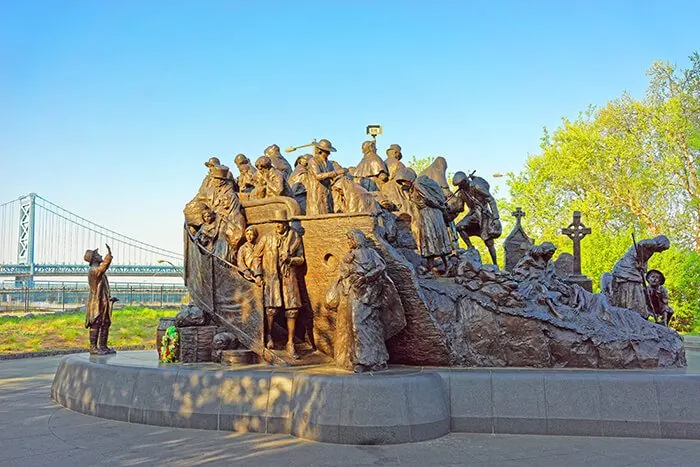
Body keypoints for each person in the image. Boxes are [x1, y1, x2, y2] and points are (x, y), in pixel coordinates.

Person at [327, 230, 405, 372]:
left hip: (370, 293)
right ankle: (361, 360)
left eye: (351, 239)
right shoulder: (349, 256)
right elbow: (343, 273)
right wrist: (347, 267)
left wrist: (366, 277)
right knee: (357, 325)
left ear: (357, 239)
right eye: (348, 240)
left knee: (370, 325)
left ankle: (377, 359)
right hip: (354, 293)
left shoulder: (371, 253)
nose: (349, 242)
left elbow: (381, 267)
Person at [253, 210, 305, 359]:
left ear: (286, 224)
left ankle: (290, 343)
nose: (278, 225)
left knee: (292, 310)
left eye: (281, 223)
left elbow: (301, 259)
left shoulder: (295, 238)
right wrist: (258, 274)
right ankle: (269, 336)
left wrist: (290, 259)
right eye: (276, 223)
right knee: (271, 309)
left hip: (289, 277)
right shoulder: (267, 238)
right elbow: (257, 256)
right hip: (272, 277)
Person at [395, 167, 452, 274]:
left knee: (432, 237)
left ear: (408, 178)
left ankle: (445, 265)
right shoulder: (413, 187)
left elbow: (428, 198)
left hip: (430, 214)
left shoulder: (417, 185)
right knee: (431, 239)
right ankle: (432, 266)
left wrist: (439, 207)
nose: (403, 184)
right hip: (428, 214)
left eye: (404, 181)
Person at [610, 235, 670, 318]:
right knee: (633, 289)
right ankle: (632, 312)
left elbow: (643, 260)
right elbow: (640, 245)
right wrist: (640, 261)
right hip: (628, 270)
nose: (661, 251)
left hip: (630, 270)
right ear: (661, 244)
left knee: (635, 290)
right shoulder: (652, 243)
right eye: (663, 248)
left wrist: (642, 264)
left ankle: (636, 313)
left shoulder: (651, 249)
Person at [450, 171, 502, 266]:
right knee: (459, 227)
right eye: (458, 186)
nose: (459, 187)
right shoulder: (461, 193)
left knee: (488, 241)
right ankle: (470, 247)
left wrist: (496, 218)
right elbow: (460, 207)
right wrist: (449, 207)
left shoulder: (476, 186)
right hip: (473, 214)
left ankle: (495, 264)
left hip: (483, 214)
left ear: (465, 181)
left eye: (460, 185)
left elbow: (491, 199)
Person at [84, 244, 118, 355]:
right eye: (98, 254)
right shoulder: (94, 270)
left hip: (104, 301)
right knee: (96, 323)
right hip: (96, 302)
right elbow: (102, 268)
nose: (100, 255)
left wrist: (109, 298)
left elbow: (103, 287)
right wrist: (109, 256)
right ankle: (93, 347)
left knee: (105, 323)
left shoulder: (100, 273)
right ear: (93, 259)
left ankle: (103, 346)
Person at [306, 139, 347, 215]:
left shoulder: (329, 163)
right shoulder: (313, 161)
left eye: (329, 152)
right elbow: (318, 176)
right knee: (317, 213)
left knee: (328, 213)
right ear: (320, 151)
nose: (329, 154)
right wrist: (336, 172)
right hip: (316, 192)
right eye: (327, 152)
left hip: (327, 193)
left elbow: (333, 177)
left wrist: (342, 175)